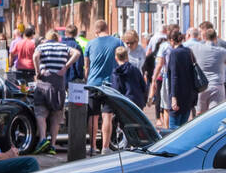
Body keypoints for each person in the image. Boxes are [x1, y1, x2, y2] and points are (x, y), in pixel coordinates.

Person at [32, 27, 79, 154]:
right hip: (58, 84)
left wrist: (37, 71)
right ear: (57, 38)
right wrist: (66, 66)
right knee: (56, 116)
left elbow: (35, 56)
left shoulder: (41, 47)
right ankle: (52, 145)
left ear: (47, 38)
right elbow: (77, 53)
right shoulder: (63, 47)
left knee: (41, 113)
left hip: (43, 82)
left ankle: (42, 139)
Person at [85, 20, 123, 153]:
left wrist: (86, 79)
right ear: (107, 28)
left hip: (93, 83)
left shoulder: (90, 44)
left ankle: (93, 146)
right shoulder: (118, 42)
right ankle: (105, 148)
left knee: (93, 116)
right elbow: (121, 62)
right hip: (110, 84)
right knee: (107, 116)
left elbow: (87, 67)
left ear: (96, 31)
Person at [192, 24, 226, 113]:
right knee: (215, 113)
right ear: (216, 38)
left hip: (201, 85)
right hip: (217, 85)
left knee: (200, 113)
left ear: (204, 37)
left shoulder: (196, 48)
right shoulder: (222, 51)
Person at [164, 27, 200, 127]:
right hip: (189, 95)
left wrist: (174, 98)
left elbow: (174, 76)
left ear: (171, 40)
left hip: (178, 95)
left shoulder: (174, 53)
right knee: (183, 127)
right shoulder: (188, 51)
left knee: (173, 129)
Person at [111, 44, 148, 109]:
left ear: (116, 58)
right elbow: (143, 86)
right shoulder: (135, 69)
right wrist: (144, 100)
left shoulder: (116, 73)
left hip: (124, 103)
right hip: (138, 101)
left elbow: (116, 90)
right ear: (127, 57)